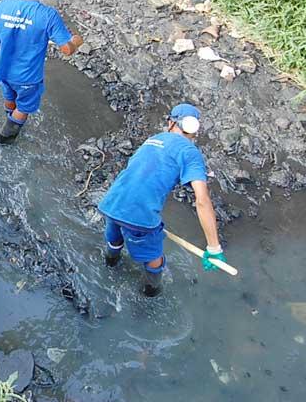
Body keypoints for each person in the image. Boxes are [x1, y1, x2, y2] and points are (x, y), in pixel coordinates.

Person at [98, 103, 228, 297]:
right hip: (139, 215)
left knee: (115, 239)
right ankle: (151, 293)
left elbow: (144, 170)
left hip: (112, 202)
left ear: (170, 122)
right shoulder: (190, 153)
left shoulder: (153, 139)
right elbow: (202, 200)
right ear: (195, 130)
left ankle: (109, 265)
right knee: (154, 259)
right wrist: (214, 247)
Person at [0, 0, 83, 144]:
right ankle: (5, 138)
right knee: (24, 108)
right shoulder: (48, 15)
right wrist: (76, 41)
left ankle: (9, 116)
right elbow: (67, 50)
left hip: (4, 72)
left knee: (10, 97)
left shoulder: (3, 5)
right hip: (28, 77)